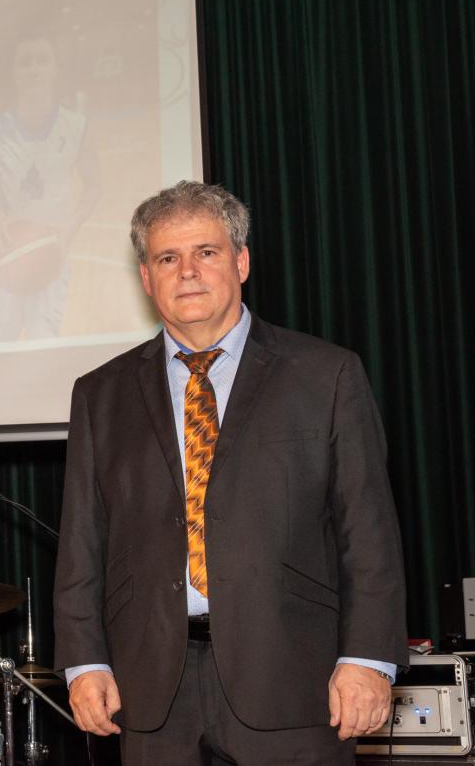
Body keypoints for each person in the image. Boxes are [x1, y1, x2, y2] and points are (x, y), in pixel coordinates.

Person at [53, 181, 408, 764]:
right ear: (146, 278)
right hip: (151, 690)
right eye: (168, 258)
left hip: (294, 676)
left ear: (241, 262)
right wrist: (84, 662)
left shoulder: (326, 375)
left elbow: (367, 532)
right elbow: (82, 543)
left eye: (206, 252)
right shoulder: (100, 394)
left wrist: (368, 658)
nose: (187, 272)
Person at [0, 30, 100, 341]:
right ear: (14, 72)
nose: (34, 68)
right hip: (6, 251)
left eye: (42, 60)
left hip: (51, 249)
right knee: (2, 343)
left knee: (44, 341)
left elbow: (94, 187)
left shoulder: (76, 126)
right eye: (25, 62)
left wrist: (71, 226)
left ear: (55, 68)